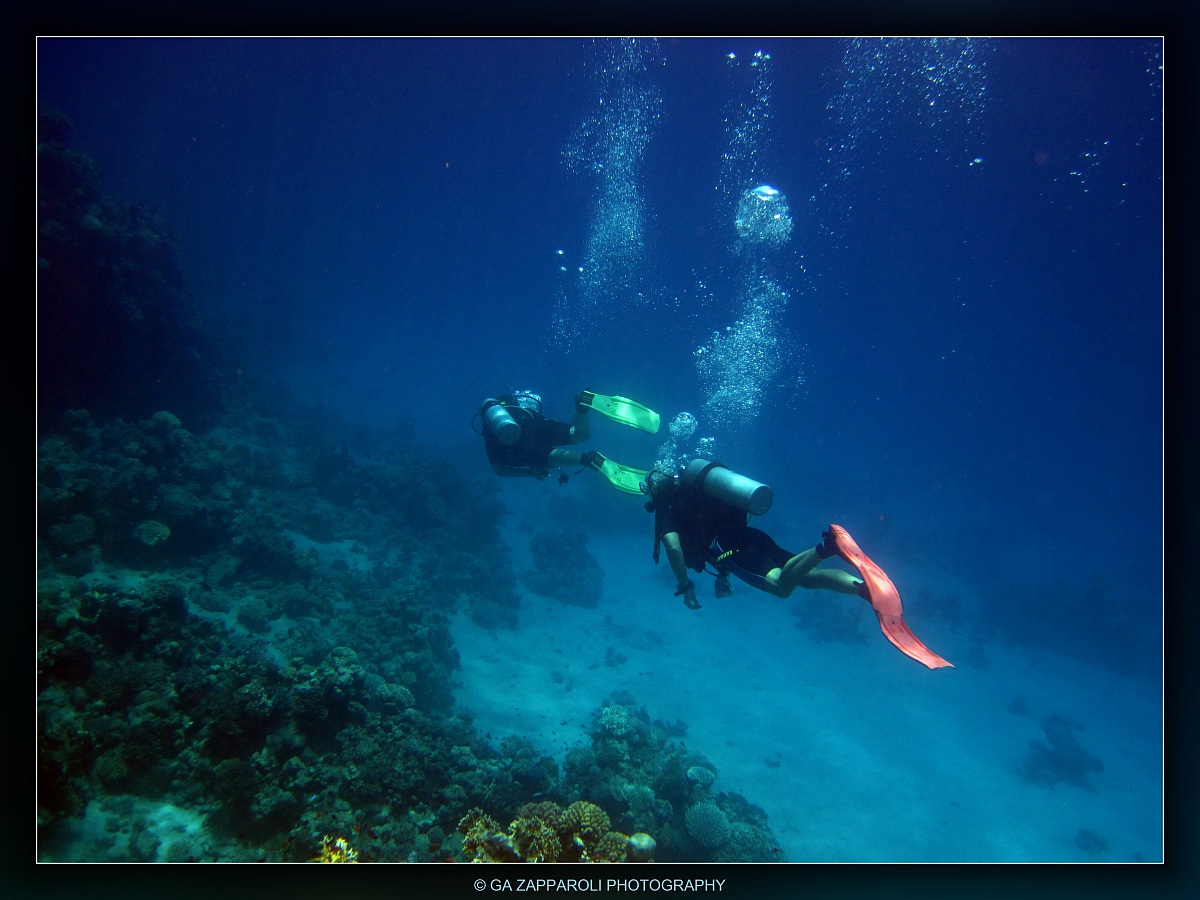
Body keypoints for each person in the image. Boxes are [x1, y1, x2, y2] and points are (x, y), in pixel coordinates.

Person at [641, 460, 952, 669]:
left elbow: (673, 546)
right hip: (751, 536)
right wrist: (725, 570)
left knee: (780, 587)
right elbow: (741, 512)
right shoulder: (702, 492)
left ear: (656, 487)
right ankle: (864, 590)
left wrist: (685, 586)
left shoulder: (667, 509)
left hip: (726, 548)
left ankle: (827, 547)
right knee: (807, 577)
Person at [476, 389, 649, 494]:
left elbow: (499, 470)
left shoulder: (490, 430)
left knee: (547, 455)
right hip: (538, 424)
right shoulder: (521, 410)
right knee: (579, 435)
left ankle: (587, 459)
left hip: (521, 447)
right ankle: (582, 408)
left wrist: (530, 472)